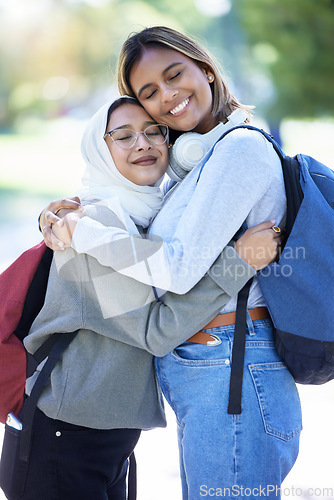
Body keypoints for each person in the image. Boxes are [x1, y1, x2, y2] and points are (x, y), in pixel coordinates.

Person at [22, 95, 278, 500]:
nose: (142, 144)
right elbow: (156, 331)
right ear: (98, 151)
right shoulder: (95, 225)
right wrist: (238, 264)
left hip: (103, 440)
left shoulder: (142, 220)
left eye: (153, 131)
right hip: (64, 441)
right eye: (122, 136)